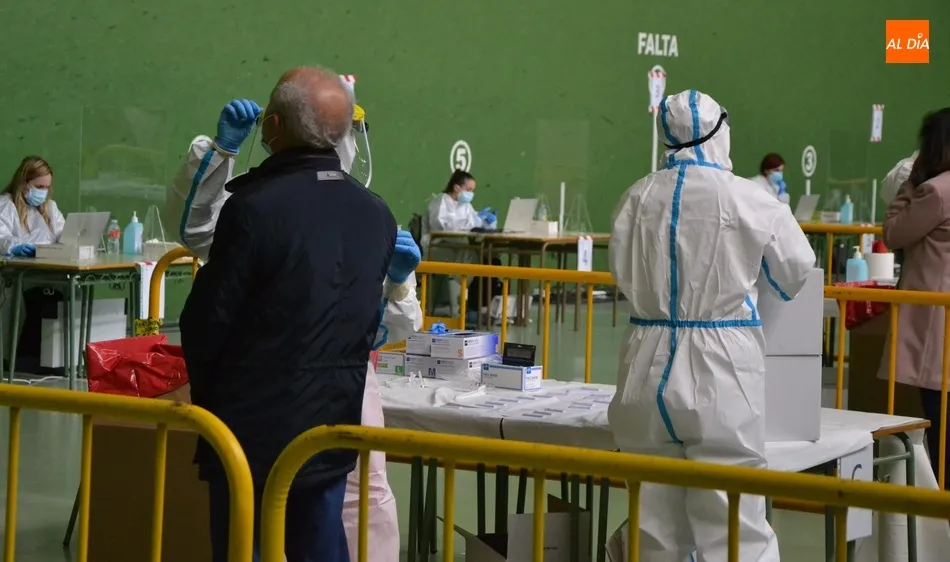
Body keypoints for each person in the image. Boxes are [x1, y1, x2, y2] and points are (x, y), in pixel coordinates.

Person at [170, 93, 421, 562]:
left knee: (358, 502)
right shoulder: (263, 207)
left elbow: (388, 326)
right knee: (291, 516)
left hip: (328, 388)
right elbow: (198, 232)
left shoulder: (363, 213)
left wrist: (399, 285)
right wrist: (220, 154)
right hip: (292, 388)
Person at [608, 89, 816, 561]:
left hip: (644, 358)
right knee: (734, 521)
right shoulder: (751, 198)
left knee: (653, 520)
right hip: (721, 365)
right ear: (721, 132)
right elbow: (795, 269)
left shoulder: (635, 197)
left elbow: (620, 273)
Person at [879, 107, 950, 487]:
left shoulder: (935, 192)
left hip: (935, 323)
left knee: (940, 418)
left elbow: (895, 232)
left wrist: (911, 183)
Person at [0, 156, 66, 371]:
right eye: (39, 186)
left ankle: (54, 361)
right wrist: (13, 247)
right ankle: (18, 361)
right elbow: (1, 236)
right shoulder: (6, 205)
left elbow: (64, 235)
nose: (43, 192)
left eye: (46, 187)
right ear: (23, 182)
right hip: (16, 276)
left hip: (48, 273)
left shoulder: (49, 208)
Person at [420, 169, 496, 315]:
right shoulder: (441, 202)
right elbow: (443, 226)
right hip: (436, 247)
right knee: (468, 257)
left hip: (455, 246)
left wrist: (486, 222)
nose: (471, 193)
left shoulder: (465, 205)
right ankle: (460, 307)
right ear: (456, 187)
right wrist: (474, 221)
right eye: (469, 189)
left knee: (481, 257)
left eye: (473, 190)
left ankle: (471, 306)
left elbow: (472, 221)